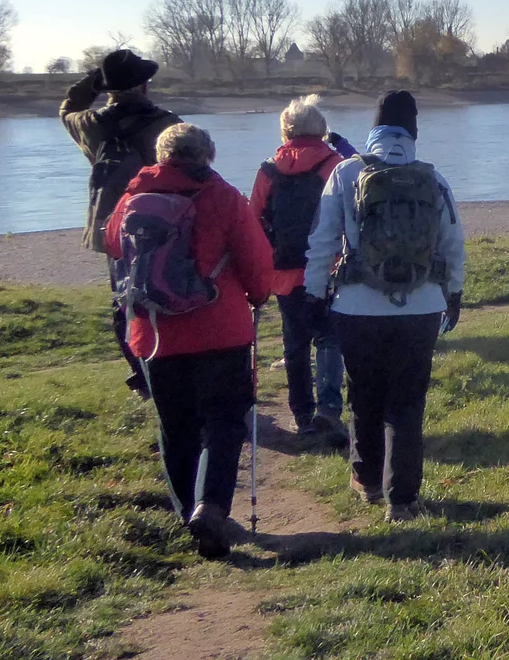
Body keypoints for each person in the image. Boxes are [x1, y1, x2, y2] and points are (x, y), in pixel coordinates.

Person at [107, 123, 276, 558]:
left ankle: (189, 513)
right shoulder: (223, 197)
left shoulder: (131, 198)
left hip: (156, 334)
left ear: (160, 156)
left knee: (175, 427)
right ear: (209, 155)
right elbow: (256, 260)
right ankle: (211, 508)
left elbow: (113, 245)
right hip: (220, 329)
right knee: (223, 422)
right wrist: (258, 296)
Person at [303, 90, 467, 523]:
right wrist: (454, 293)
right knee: (408, 403)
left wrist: (313, 292)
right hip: (421, 306)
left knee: (364, 394)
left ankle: (368, 481)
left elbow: (322, 242)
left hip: (356, 308)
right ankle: (404, 500)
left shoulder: (345, 173)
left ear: (373, 130)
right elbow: (453, 244)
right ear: (413, 132)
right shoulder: (434, 178)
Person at [61, 48, 184, 398]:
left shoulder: (92, 126)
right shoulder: (168, 124)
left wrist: (92, 83)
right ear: (145, 87)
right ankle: (168, 363)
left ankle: (139, 369)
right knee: (166, 290)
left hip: (113, 226)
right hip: (164, 223)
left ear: (110, 88)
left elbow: (67, 110)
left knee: (123, 298)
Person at [251, 95, 351, 449]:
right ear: (321, 128)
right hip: (326, 268)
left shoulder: (268, 170)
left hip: (283, 272)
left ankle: (302, 416)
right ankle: (329, 409)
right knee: (328, 339)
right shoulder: (335, 164)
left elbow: (254, 220)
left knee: (295, 344)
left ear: (286, 130)